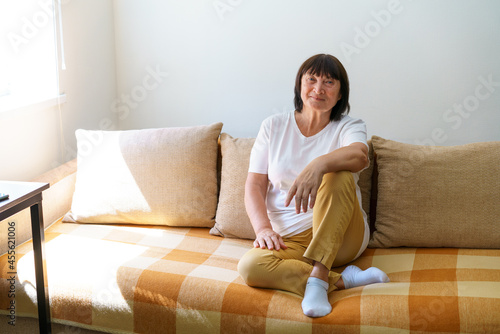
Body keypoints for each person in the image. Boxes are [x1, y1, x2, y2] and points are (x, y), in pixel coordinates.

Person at [237, 54, 389, 318]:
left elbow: (359, 156)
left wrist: (319, 165)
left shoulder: (349, 126)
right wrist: (263, 228)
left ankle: (319, 277)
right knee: (250, 266)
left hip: (342, 235)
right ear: (300, 85)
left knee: (337, 173)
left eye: (329, 82)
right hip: (291, 240)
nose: (318, 89)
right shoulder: (273, 126)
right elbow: (254, 185)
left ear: (340, 94)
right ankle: (342, 280)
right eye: (312, 79)